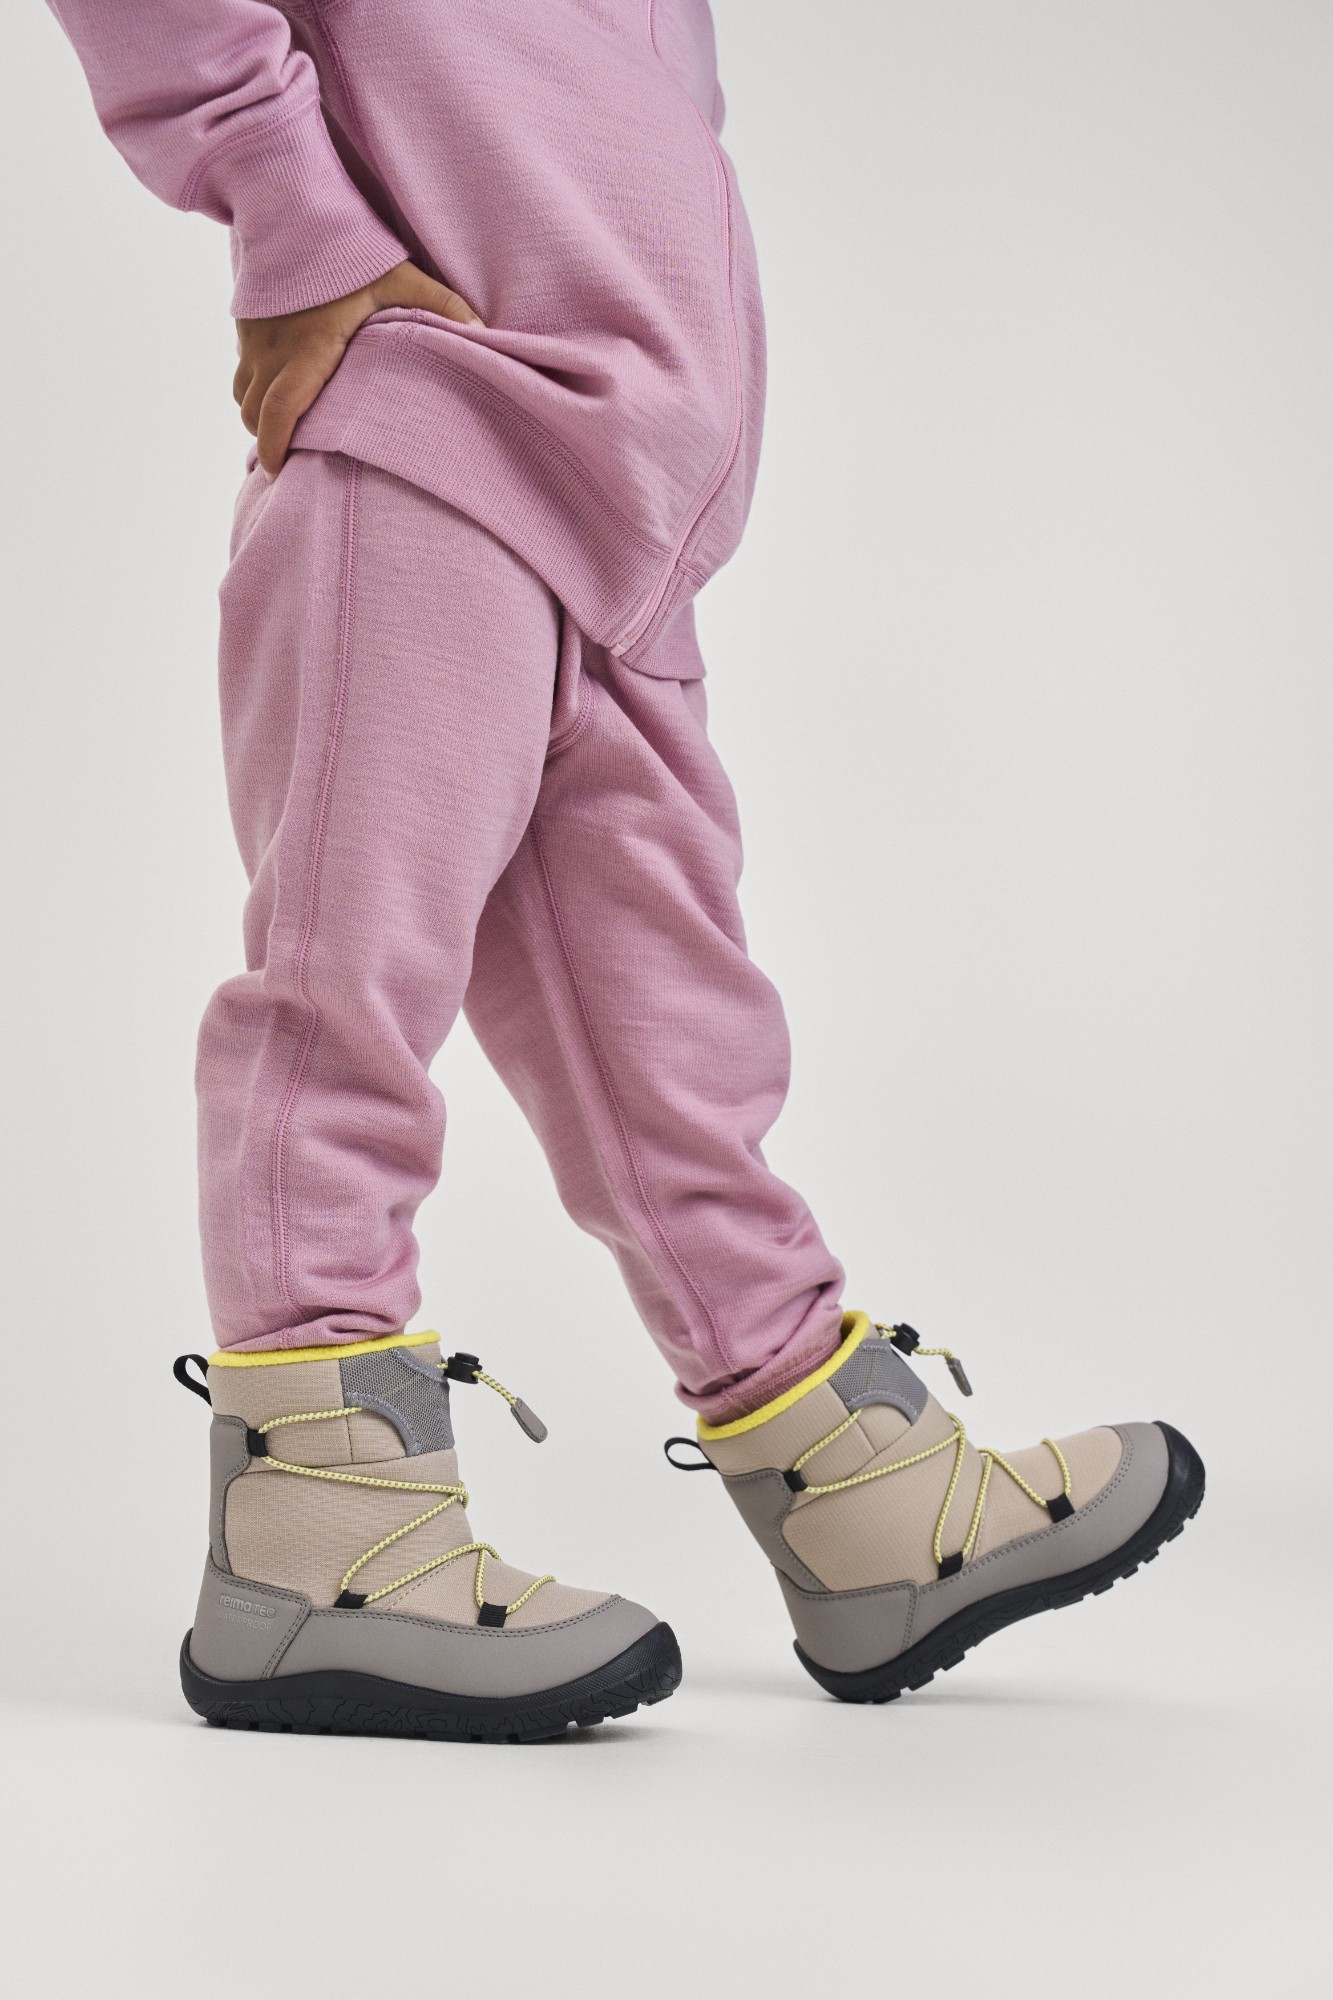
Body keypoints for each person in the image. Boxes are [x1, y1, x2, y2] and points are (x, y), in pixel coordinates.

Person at [49, 0, 1203, 1741]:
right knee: (344, 987)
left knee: (669, 1038)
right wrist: (289, 217)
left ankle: (847, 1482)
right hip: (440, 417)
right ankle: (318, 1536)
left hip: (624, 494)